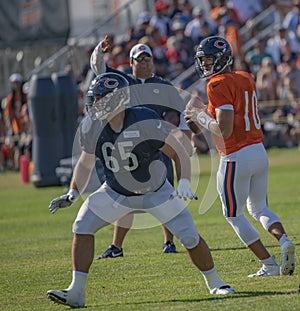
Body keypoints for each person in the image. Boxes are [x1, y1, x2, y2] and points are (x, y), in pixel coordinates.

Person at [46, 72, 235, 308]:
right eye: (95, 98)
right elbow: (86, 161)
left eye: (101, 98)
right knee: (81, 225)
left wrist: (184, 181)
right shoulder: (92, 125)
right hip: (116, 192)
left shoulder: (144, 119)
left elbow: (178, 152)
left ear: (119, 100)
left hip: (156, 191)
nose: (96, 104)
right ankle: (76, 292)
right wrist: (74, 192)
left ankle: (216, 283)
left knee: (189, 235)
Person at [184, 36, 296, 277]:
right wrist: (201, 118)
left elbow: (224, 129)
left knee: (233, 215)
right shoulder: (245, 77)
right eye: (203, 60)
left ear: (223, 59)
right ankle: (285, 241)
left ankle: (269, 264)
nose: (204, 65)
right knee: (259, 208)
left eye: (209, 59)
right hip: (258, 150)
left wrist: (200, 115)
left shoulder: (216, 84)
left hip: (235, 155)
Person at [90, 35, 192, 257]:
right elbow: (99, 69)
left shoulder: (163, 86)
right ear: (131, 62)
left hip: (158, 146)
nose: (144, 63)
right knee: (124, 194)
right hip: (127, 147)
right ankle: (116, 246)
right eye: (139, 59)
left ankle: (169, 241)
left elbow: (183, 112)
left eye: (148, 59)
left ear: (153, 61)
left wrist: (184, 137)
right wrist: (100, 50)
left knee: (166, 192)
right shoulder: (122, 83)